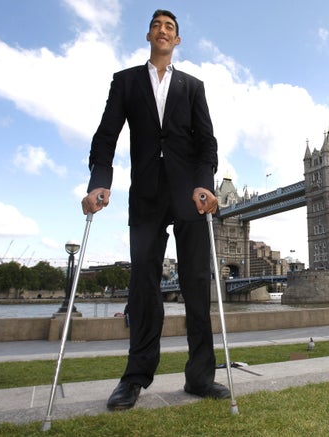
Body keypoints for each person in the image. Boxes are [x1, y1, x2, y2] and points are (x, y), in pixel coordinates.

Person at [81, 9, 228, 411]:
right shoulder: (125, 81)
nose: (163, 32)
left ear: (177, 41)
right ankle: (133, 379)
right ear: (149, 35)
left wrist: (205, 184)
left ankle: (200, 377)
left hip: (190, 196)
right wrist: (99, 183)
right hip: (145, 194)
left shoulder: (193, 86)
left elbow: (207, 143)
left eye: (171, 28)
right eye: (158, 26)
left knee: (196, 284)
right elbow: (106, 135)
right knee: (143, 286)